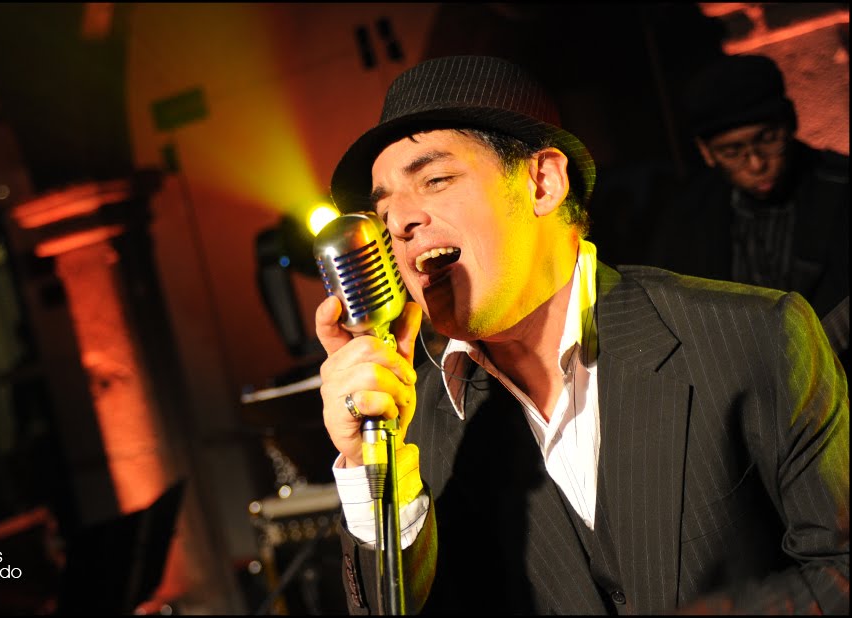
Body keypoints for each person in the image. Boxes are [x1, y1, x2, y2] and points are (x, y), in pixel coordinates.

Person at [313, 55, 849, 614]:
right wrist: (368, 465)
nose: (400, 222)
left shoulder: (753, 334)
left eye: (435, 180)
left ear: (543, 182)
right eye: (383, 210)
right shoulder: (410, 425)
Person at [647, 53, 849, 375]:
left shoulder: (841, 189)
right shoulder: (687, 222)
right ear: (706, 152)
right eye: (732, 151)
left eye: (767, 140)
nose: (756, 163)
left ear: (790, 122)